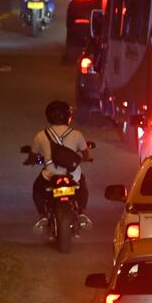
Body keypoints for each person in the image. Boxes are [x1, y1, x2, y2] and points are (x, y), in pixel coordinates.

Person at [30, 100, 92, 233]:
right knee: (82, 185)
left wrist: (30, 160)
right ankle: (81, 212)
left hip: (50, 174)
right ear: (68, 116)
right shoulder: (77, 134)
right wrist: (86, 159)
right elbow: (86, 154)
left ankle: (42, 215)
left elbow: (33, 155)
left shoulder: (41, 135)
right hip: (72, 175)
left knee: (37, 188)